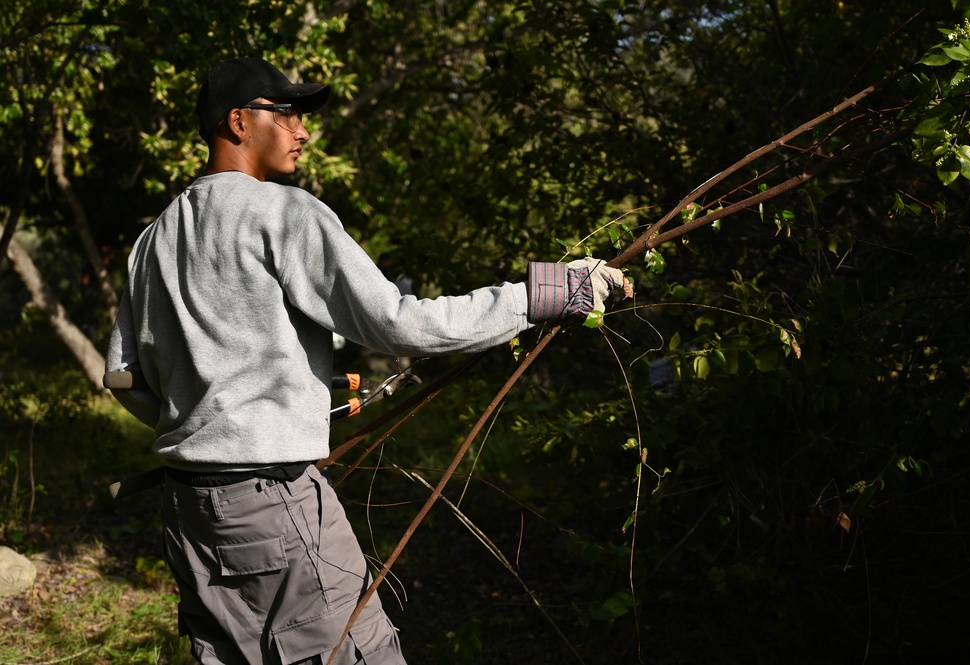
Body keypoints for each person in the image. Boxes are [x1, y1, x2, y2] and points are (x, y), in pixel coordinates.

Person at [105, 56, 627, 665]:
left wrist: (237, 411)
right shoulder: (286, 213)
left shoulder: (155, 237)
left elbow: (125, 378)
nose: (303, 131)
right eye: (288, 113)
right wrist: (551, 293)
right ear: (239, 122)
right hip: (273, 507)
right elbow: (398, 324)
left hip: (188, 512)